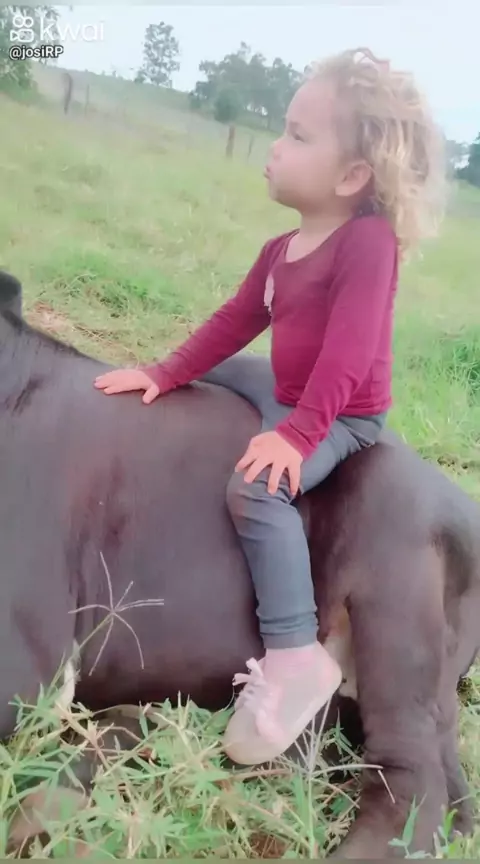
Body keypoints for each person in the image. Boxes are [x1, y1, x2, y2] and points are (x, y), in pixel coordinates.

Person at [94, 48, 445, 765]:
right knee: (212, 379)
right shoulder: (281, 249)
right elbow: (235, 323)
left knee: (256, 490)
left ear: (351, 176)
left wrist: (298, 436)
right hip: (284, 387)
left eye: (297, 135)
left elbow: (348, 357)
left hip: (340, 413)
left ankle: (293, 657)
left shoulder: (367, 244)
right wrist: (163, 373)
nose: (276, 146)